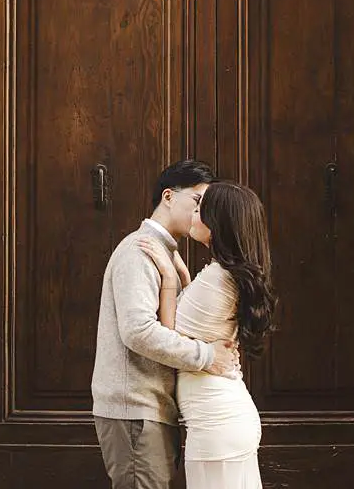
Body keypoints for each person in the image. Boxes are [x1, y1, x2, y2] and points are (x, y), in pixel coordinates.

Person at [92, 159, 242, 489]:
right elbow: (139, 332)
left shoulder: (165, 252)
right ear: (169, 196)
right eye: (198, 202)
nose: (202, 214)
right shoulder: (139, 250)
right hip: (135, 407)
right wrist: (207, 355)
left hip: (151, 408)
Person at [136, 180, 276, 489]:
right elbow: (197, 328)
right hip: (223, 421)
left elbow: (169, 339)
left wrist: (170, 278)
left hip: (217, 424)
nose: (192, 214)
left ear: (217, 222)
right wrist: (184, 277)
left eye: (200, 209)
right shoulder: (222, 274)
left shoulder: (217, 278)